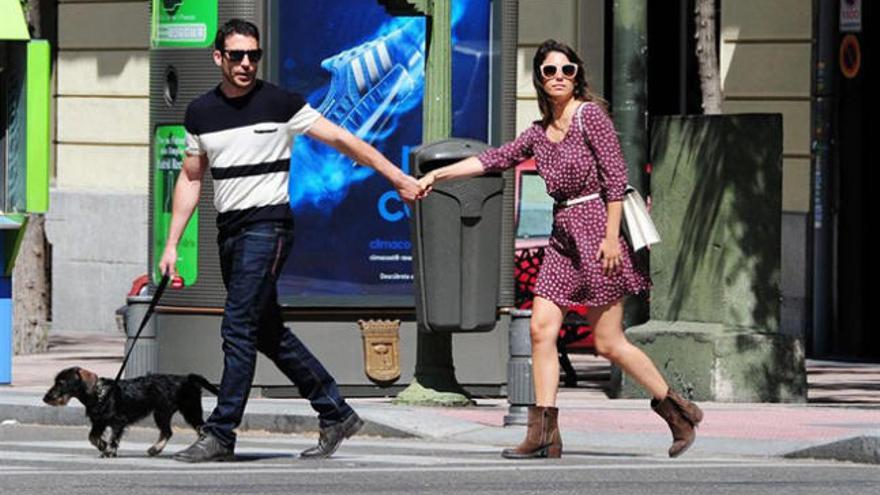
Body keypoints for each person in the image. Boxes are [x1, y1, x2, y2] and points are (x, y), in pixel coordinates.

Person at [417, 39, 703, 459]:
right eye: (550, 71)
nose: (558, 78)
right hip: (562, 237)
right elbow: (495, 159)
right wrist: (439, 176)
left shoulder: (591, 117)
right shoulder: (537, 133)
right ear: (539, 78)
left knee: (608, 342)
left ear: (577, 76)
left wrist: (610, 238)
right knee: (540, 330)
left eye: (566, 70)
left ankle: (677, 412)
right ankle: (545, 432)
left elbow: (615, 176)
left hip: (596, 231)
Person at [159, 19, 422, 463]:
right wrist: (171, 245)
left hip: (269, 227)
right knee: (265, 330)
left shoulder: (281, 103)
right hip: (230, 230)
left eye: (253, 56)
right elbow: (190, 178)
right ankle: (335, 411)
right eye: (237, 56)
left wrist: (396, 176)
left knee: (237, 327)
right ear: (218, 58)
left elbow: (343, 139)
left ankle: (221, 434)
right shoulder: (200, 113)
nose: (246, 64)